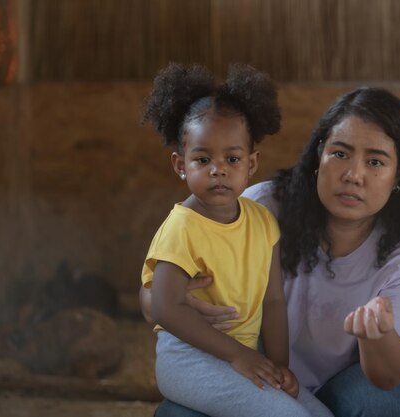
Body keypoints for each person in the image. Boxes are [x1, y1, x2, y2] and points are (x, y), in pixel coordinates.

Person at [141, 86, 400, 417]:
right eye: (340, 154)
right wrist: (172, 300)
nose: (353, 175)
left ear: (397, 174)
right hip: (242, 375)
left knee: (385, 400)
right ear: (319, 155)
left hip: (328, 394)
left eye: (375, 161)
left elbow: (388, 378)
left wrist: (379, 335)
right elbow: (156, 303)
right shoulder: (257, 208)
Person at [140, 63, 334, 417]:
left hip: (243, 356)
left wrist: (279, 366)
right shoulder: (182, 227)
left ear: (252, 164)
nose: (219, 169)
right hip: (188, 360)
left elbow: (274, 301)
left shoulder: (262, 221)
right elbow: (165, 308)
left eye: (232, 158)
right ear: (180, 164)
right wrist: (239, 355)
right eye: (202, 159)